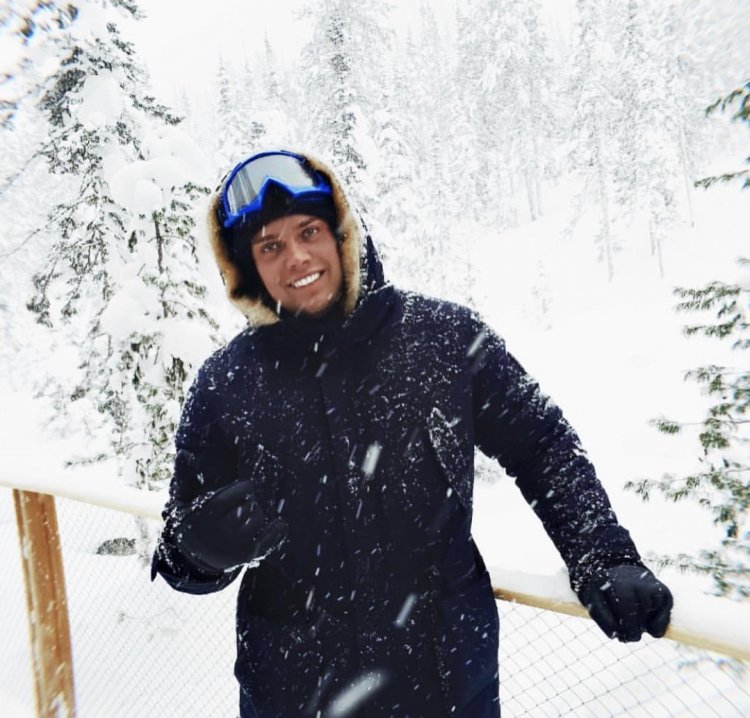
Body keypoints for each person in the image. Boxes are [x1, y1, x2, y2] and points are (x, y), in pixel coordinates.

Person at [151, 150, 673, 718]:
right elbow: (178, 550)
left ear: (342, 235)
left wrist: (602, 553)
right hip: (292, 697)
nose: (297, 257)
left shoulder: (445, 338)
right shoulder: (225, 384)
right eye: (270, 246)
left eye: (309, 231)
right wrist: (197, 550)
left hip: (446, 689)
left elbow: (541, 444)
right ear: (247, 269)